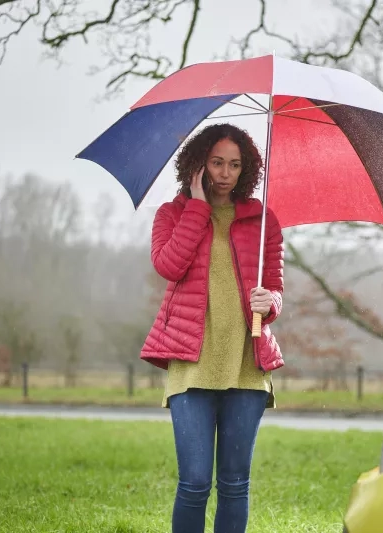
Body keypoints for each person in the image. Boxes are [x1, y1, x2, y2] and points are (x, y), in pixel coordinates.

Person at [139, 123, 285, 533]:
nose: (225, 173)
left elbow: (275, 287)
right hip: (191, 365)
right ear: (199, 164)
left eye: (235, 165)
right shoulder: (171, 214)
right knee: (195, 482)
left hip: (246, 365)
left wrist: (268, 302)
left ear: (246, 170)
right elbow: (169, 265)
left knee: (235, 483)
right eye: (217, 162)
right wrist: (198, 207)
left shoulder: (262, 220)